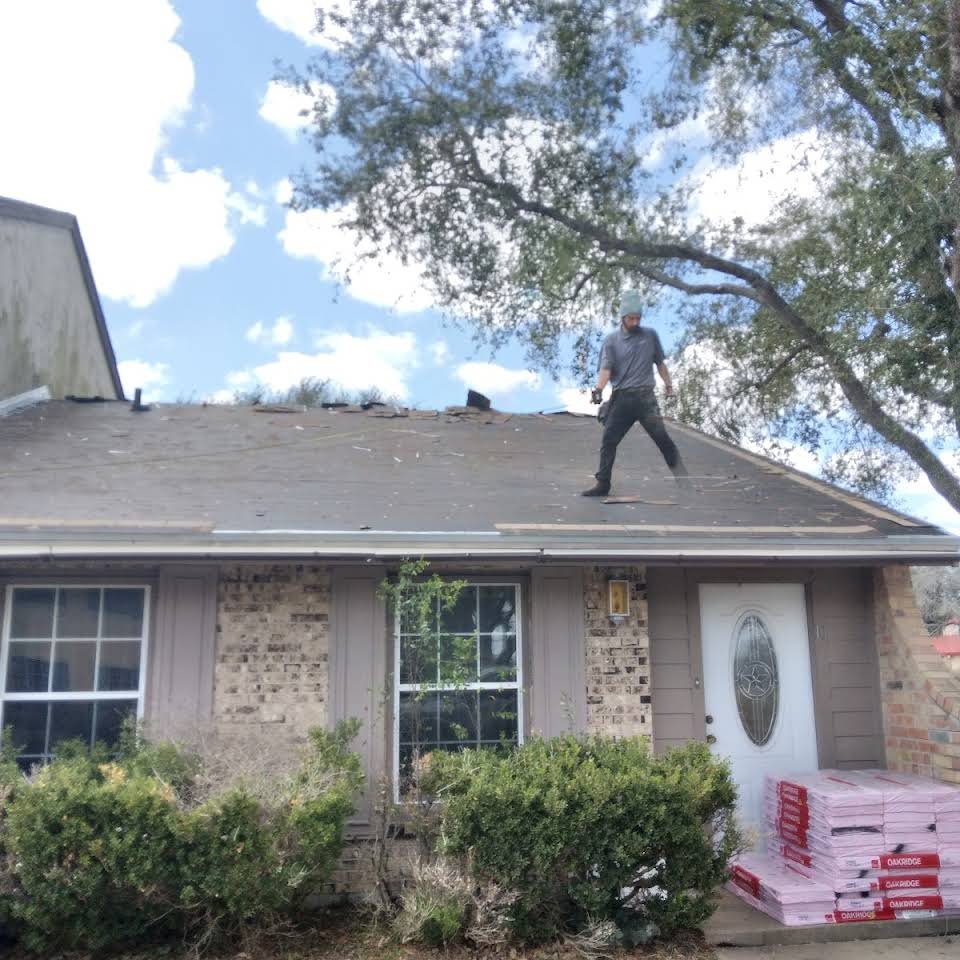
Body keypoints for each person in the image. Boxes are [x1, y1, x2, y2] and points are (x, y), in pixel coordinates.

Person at [582, 291, 688, 496]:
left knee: (662, 438)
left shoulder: (650, 335)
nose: (635, 321)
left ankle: (684, 480)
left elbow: (660, 363)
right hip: (622, 399)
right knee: (609, 440)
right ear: (622, 317)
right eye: (631, 318)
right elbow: (606, 369)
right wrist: (598, 390)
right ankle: (603, 484)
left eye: (638, 318)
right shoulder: (611, 341)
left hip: (646, 398)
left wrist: (668, 385)